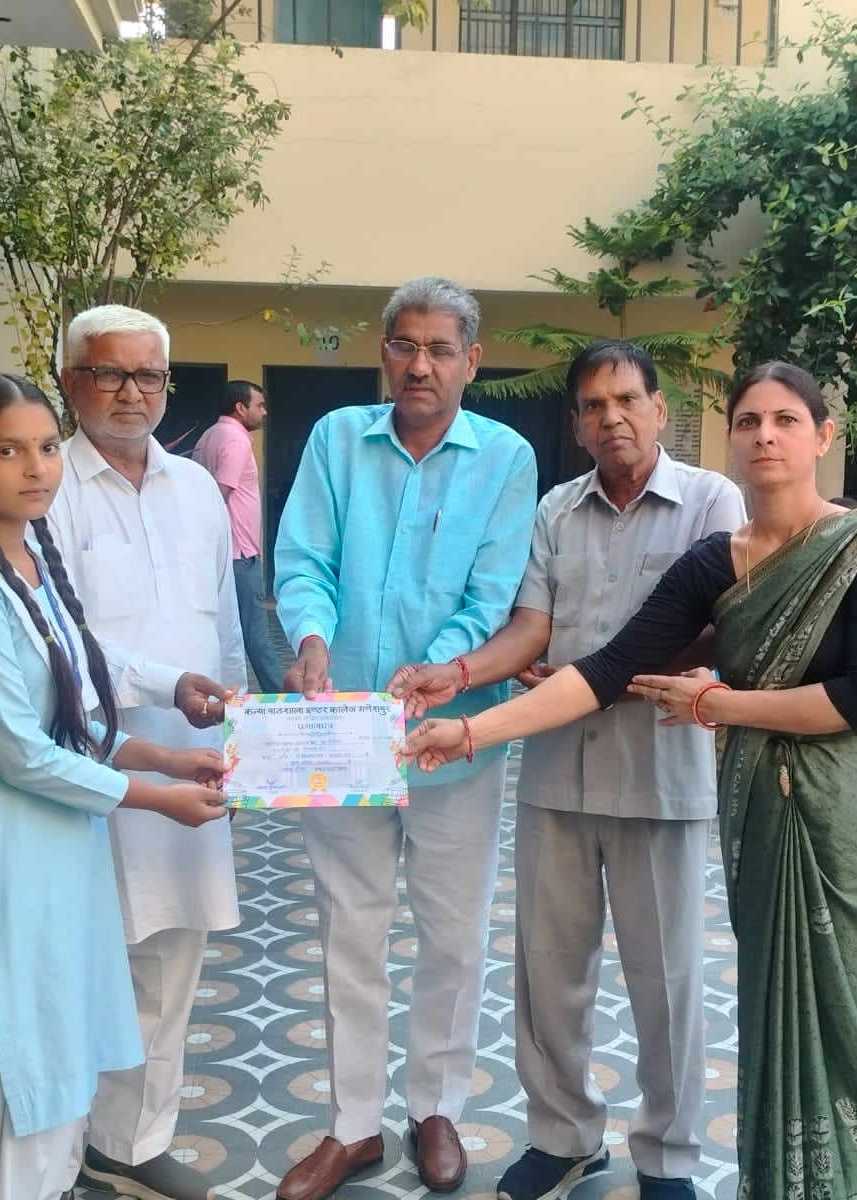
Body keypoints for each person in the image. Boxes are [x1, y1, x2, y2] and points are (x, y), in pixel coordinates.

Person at [405, 360, 857, 1200]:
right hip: (764, 815)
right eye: (749, 422)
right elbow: (606, 668)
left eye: (786, 420)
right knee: (779, 1010)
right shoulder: (714, 560)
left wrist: (716, 703)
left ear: (823, 436)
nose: (766, 437)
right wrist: (467, 731)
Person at [389, 341, 744, 1200]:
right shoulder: (557, 508)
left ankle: (667, 1156)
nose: (611, 418)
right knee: (548, 975)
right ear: (578, 425)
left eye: (626, 400)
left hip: (661, 777)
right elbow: (532, 626)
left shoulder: (711, 501)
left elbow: (726, 626)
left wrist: (602, 676)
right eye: (592, 406)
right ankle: (563, 1136)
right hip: (555, 773)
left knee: (667, 982)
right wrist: (463, 673)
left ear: (659, 410)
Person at [0, 373, 228, 1200]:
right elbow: (19, 753)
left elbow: (69, 715)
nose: (37, 468)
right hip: (0, 852)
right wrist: (159, 798)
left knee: (53, 1051)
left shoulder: (30, 560)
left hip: (56, 846)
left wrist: (167, 759)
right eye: (7, 451)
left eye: (46, 447)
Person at [272, 276, 538, 1200]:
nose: (419, 365)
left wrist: (442, 669)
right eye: (403, 345)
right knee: (347, 928)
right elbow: (303, 558)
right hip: (342, 729)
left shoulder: (505, 458)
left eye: (439, 349)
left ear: (472, 360)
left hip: (452, 737)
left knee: (452, 935)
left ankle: (435, 1108)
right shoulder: (336, 439)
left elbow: (494, 593)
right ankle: (353, 1126)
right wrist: (311, 636)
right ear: (382, 352)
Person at [44, 305, 247, 1200]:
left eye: (150, 376)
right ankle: (56, 1145)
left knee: (172, 955)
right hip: (89, 765)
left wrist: (240, 728)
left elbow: (223, 621)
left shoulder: (196, 487)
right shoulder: (47, 486)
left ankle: (132, 1141)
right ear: (70, 382)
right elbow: (62, 644)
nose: (132, 393)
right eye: (110, 373)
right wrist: (169, 685)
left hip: (192, 762)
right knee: (76, 958)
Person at [193, 379, 291, 691]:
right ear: (240, 407)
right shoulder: (236, 440)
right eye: (259, 405)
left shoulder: (209, 436)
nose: (264, 412)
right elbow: (219, 494)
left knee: (223, 632)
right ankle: (282, 702)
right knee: (257, 636)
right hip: (239, 554)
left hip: (219, 553)